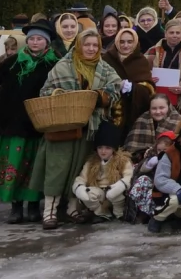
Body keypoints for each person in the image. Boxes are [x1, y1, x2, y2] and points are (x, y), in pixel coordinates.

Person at [30, 29, 122, 229]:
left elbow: (116, 89)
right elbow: (45, 91)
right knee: (57, 168)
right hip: (62, 126)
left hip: (89, 127)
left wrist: (99, 96)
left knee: (79, 169)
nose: (90, 49)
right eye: (86, 45)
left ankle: (73, 208)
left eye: (95, 45)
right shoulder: (62, 66)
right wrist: (63, 98)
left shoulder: (105, 69)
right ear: (78, 45)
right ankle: (50, 212)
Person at [0, 19, 59, 224]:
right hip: (11, 122)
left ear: (47, 42)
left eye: (39, 39)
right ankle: (16, 207)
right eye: (31, 39)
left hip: (38, 124)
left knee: (34, 168)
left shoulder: (54, 63)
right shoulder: (13, 61)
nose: (35, 42)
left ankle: (33, 206)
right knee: (14, 165)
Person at [71, 121, 134, 222]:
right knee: (88, 195)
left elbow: (128, 176)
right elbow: (82, 178)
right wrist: (79, 187)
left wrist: (120, 185)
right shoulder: (91, 162)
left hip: (114, 191)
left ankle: (119, 213)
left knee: (116, 194)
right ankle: (102, 213)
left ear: (113, 149)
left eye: (107, 148)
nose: (103, 151)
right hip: (99, 192)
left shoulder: (122, 161)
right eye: (100, 148)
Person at [103, 28, 155, 140]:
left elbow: (149, 89)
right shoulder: (106, 59)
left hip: (134, 113)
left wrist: (133, 88)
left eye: (129, 42)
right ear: (116, 42)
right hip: (111, 113)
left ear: (135, 42)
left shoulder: (141, 61)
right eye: (122, 42)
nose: (125, 45)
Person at [124, 93, 181, 162]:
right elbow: (131, 150)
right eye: (154, 108)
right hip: (142, 163)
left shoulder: (179, 122)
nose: (158, 112)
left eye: (161, 108)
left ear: (168, 106)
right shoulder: (142, 120)